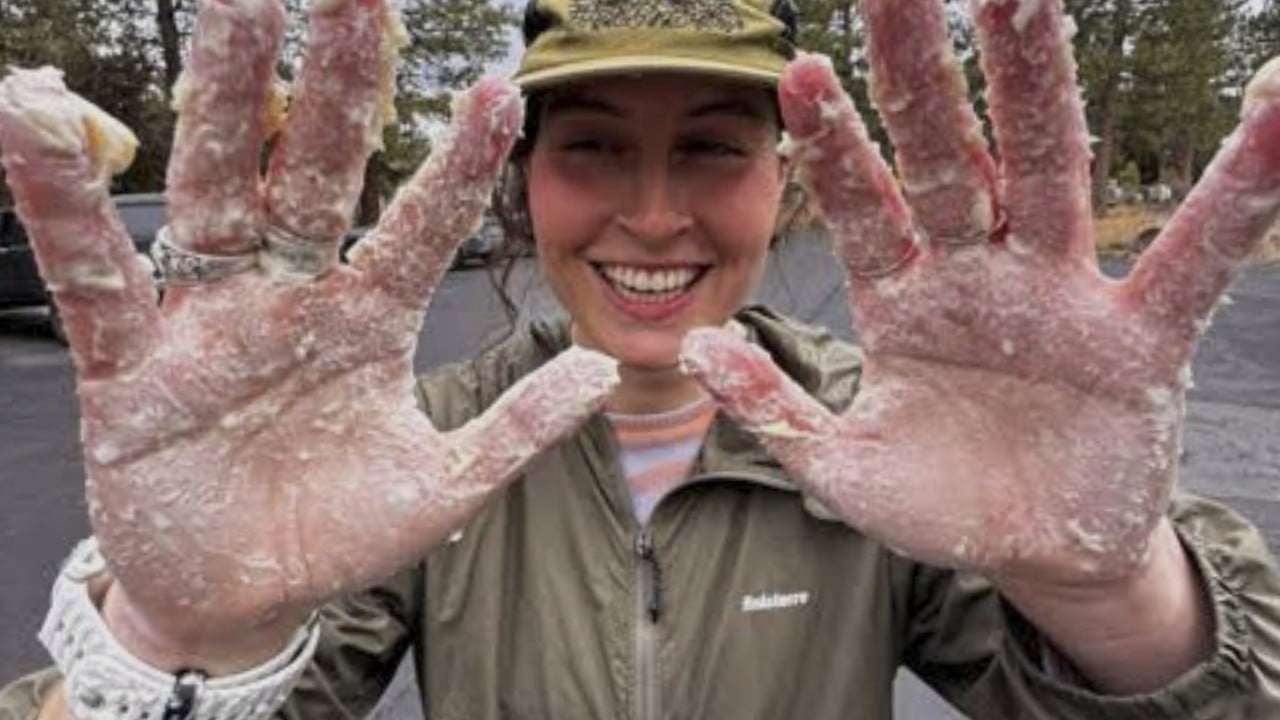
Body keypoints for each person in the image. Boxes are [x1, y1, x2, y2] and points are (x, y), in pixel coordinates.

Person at [1, 0, 1279, 717]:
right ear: (523, 178)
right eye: (594, 147)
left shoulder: (888, 439)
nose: (655, 216)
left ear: (785, 181)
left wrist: (1109, 593)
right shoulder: (401, 454)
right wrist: (176, 636)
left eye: (712, 147)